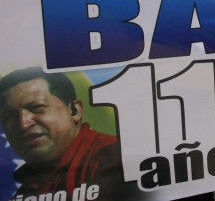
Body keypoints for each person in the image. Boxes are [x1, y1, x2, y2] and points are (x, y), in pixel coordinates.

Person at [0, 67, 130, 199]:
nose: (23, 124)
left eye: (37, 108)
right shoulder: (25, 192)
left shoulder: (117, 158)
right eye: (10, 117)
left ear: (74, 111)